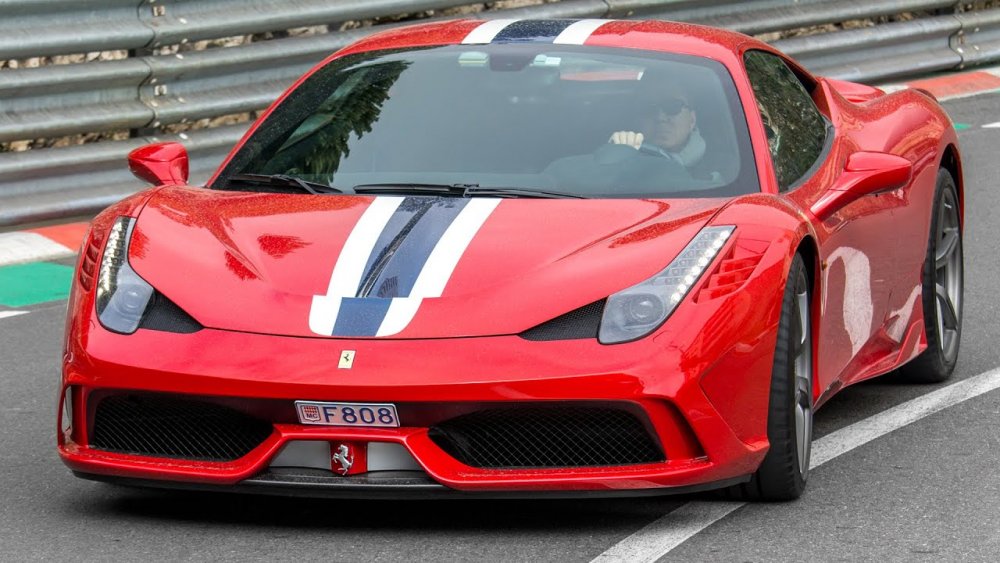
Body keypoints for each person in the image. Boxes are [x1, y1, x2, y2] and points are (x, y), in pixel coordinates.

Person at [607, 85, 714, 179]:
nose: (660, 117)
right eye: (648, 108)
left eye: (673, 106)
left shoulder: (724, 171)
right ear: (636, 121)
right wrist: (614, 156)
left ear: (692, 120)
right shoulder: (621, 158)